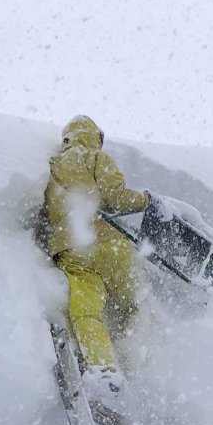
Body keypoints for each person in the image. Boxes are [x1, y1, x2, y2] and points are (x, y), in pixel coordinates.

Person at [43, 116, 151, 370]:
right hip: (109, 244)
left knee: (86, 311)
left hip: (72, 251)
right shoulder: (94, 158)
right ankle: (133, 360)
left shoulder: (51, 171)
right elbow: (116, 198)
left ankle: (103, 368)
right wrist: (145, 200)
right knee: (132, 304)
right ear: (93, 137)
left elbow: (46, 216)